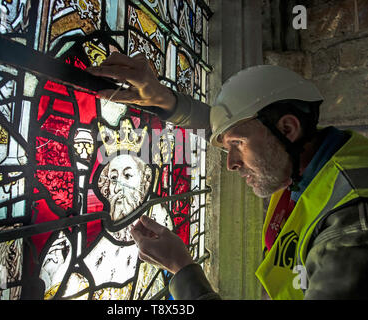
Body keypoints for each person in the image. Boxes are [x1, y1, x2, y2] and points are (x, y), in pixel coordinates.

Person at [87, 52, 368, 300]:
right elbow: (236, 128)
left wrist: (183, 271)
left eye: (237, 146)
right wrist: (164, 100)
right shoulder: (308, 160)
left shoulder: (352, 231)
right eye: (227, 147)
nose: (231, 163)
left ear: (287, 129)